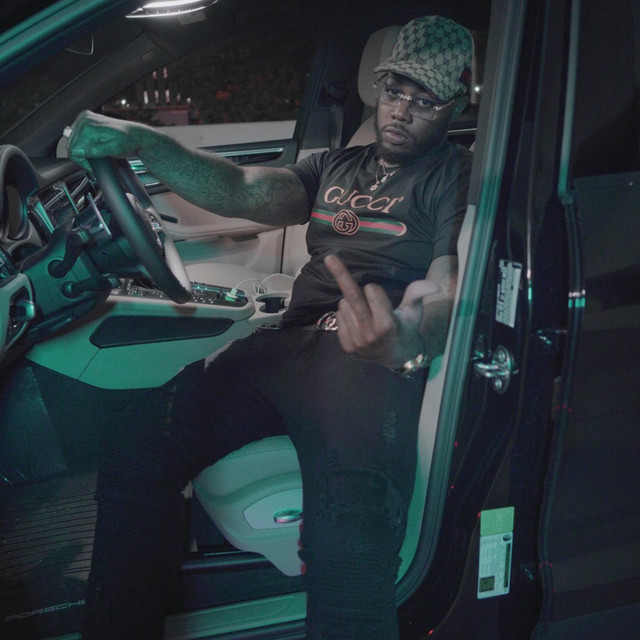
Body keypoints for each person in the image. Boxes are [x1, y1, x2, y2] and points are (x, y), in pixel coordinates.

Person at [68, 15, 473, 640]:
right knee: (135, 442)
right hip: (286, 345)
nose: (401, 111)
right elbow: (243, 188)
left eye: (425, 102)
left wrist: (410, 335)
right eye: (395, 91)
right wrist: (145, 141)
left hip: (366, 358)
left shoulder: (454, 174)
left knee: (350, 536)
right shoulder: (337, 164)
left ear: (455, 105)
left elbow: (446, 284)